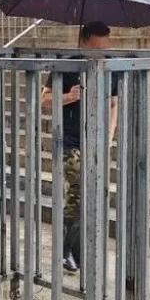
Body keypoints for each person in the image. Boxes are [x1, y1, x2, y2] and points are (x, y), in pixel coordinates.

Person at [42, 21, 118, 274]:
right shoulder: (67, 65)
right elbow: (43, 99)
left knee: (92, 197)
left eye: (104, 48)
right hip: (71, 140)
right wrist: (70, 96)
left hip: (96, 141)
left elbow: (113, 104)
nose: (99, 54)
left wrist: (108, 137)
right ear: (83, 41)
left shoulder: (109, 65)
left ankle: (74, 252)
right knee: (78, 194)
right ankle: (66, 251)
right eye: (95, 48)